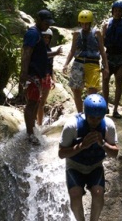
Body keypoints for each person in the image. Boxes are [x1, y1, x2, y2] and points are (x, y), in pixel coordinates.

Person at [58, 94, 119, 221]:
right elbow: (61, 153)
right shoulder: (72, 126)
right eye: (92, 118)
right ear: (85, 113)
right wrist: (81, 146)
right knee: (75, 195)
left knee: (98, 192)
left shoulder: (108, 126)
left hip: (95, 166)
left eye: (99, 118)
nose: (95, 121)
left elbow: (114, 153)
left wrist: (102, 143)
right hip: (75, 166)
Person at [63, 10, 109, 114]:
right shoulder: (76, 34)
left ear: (90, 23)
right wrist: (66, 64)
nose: (84, 25)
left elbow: (102, 50)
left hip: (93, 63)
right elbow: (72, 50)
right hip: (78, 62)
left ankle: (90, 113)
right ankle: (80, 113)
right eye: (82, 23)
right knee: (76, 89)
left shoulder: (97, 33)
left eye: (86, 23)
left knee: (92, 91)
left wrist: (106, 67)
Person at [20, 9, 55, 145]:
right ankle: (29, 134)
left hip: (38, 75)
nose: (48, 25)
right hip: (32, 74)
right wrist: (23, 73)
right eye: (46, 22)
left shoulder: (38, 34)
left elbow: (40, 55)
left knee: (35, 102)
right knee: (32, 103)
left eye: (49, 23)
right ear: (39, 20)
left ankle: (32, 128)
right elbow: (26, 53)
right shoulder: (33, 33)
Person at [37, 28, 63, 126]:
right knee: (36, 102)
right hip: (38, 77)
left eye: (48, 37)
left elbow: (50, 66)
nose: (46, 39)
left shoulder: (49, 50)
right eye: (44, 37)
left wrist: (52, 78)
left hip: (47, 78)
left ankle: (39, 124)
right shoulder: (37, 49)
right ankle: (34, 123)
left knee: (42, 103)